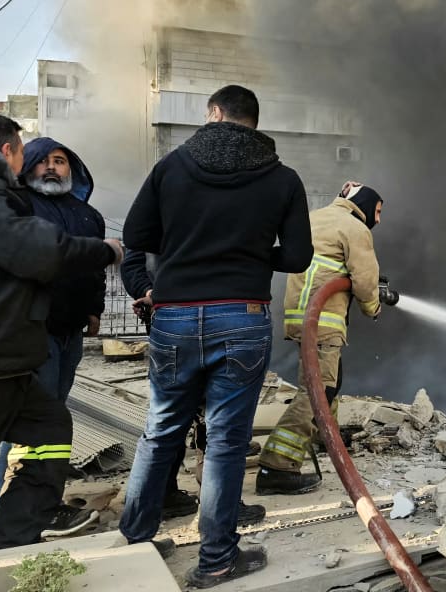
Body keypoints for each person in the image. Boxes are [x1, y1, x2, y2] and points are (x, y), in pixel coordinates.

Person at [119, 85, 313, 588]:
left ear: (214, 114)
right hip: (242, 316)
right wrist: (247, 252)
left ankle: (134, 547)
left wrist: (188, 248)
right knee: (226, 443)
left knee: (159, 431)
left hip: (176, 314)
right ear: (255, 121)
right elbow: (296, 257)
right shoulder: (284, 178)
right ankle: (217, 561)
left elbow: (137, 236)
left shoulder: (171, 167)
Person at [0, 114, 122, 551]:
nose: (40, 165)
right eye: (27, 153)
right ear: (8, 152)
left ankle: (15, 536)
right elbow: (36, 251)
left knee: (49, 428)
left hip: (3, 356)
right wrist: (106, 251)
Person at [0, 137, 107, 536]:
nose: (53, 168)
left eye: (61, 161)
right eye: (43, 161)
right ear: (28, 166)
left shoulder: (87, 215)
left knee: (51, 417)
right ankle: (11, 506)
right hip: (31, 328)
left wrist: (94, 310)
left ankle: (27, 504)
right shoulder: (17, 207)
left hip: (69, 331)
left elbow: (92, 270)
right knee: (33, 421)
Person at [257, 181, 393, 495]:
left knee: (330, 381)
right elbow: (364, 277)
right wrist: (373, 306)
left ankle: (323, 437)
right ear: (364, 204)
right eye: (378, 211)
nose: (379, 219)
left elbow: (330, 266)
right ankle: (277, 464)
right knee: (318, 390)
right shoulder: (355, 228)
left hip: (300, 317)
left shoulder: (315, 218)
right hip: (324, 320)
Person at [120, 248, 266, 525]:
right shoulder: (209, 209)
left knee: (170, 414)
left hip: (165, 315)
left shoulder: (153, 209)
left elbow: (132, 261)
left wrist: (149, 293)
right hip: (211, 313)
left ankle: (158, 501)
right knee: (213, 413)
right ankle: (218, 508)